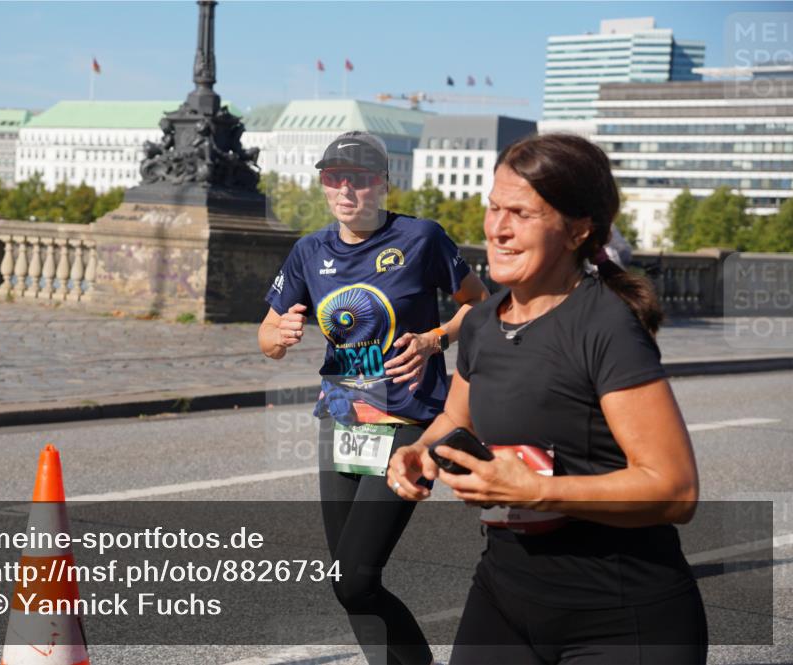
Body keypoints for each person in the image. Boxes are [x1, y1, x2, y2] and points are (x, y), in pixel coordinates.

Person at [387, 133, 707, 664]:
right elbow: (454, 416)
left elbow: (675, 490)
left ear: (578, 229)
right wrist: (422, 451)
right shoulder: (484, 322)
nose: (497, 228)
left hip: (620, 618)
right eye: (493, 208)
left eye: (521, 213)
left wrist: (538, 490)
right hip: (505, 600)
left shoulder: (605, 325)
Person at [259, 130, 488, 664]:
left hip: (410, 422)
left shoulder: (422, 238)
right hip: (340, 420)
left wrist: (436, 339)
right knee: (346, 580)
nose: (346, 191)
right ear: (323, 184)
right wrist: (280, 337)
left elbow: (480, 305)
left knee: (358, 576)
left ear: (382, 185)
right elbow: (267, 334)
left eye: (359, 180)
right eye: (335, 178)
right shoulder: (308, 251)